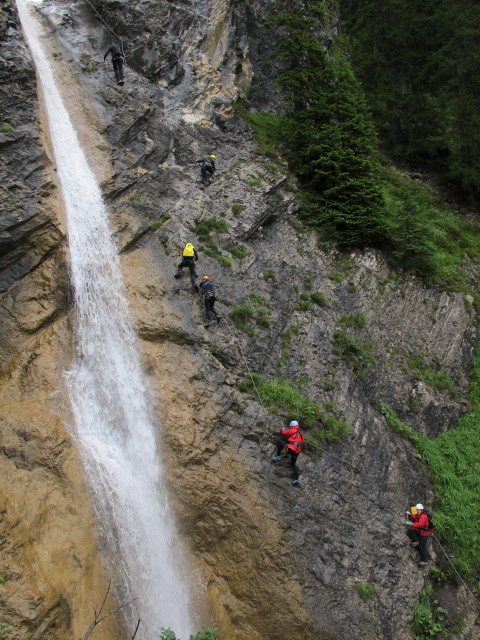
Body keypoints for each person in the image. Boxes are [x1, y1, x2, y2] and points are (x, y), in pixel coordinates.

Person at [272, 420, 304, 485]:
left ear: (292, 426)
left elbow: (284, 432)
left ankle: (278, 456)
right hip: (297, 452)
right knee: (293, 464)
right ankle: (296, 479)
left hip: (291, 448)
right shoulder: (300, 433)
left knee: (279, 442)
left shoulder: (292, 430)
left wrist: (283, 428)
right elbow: (302, 441)